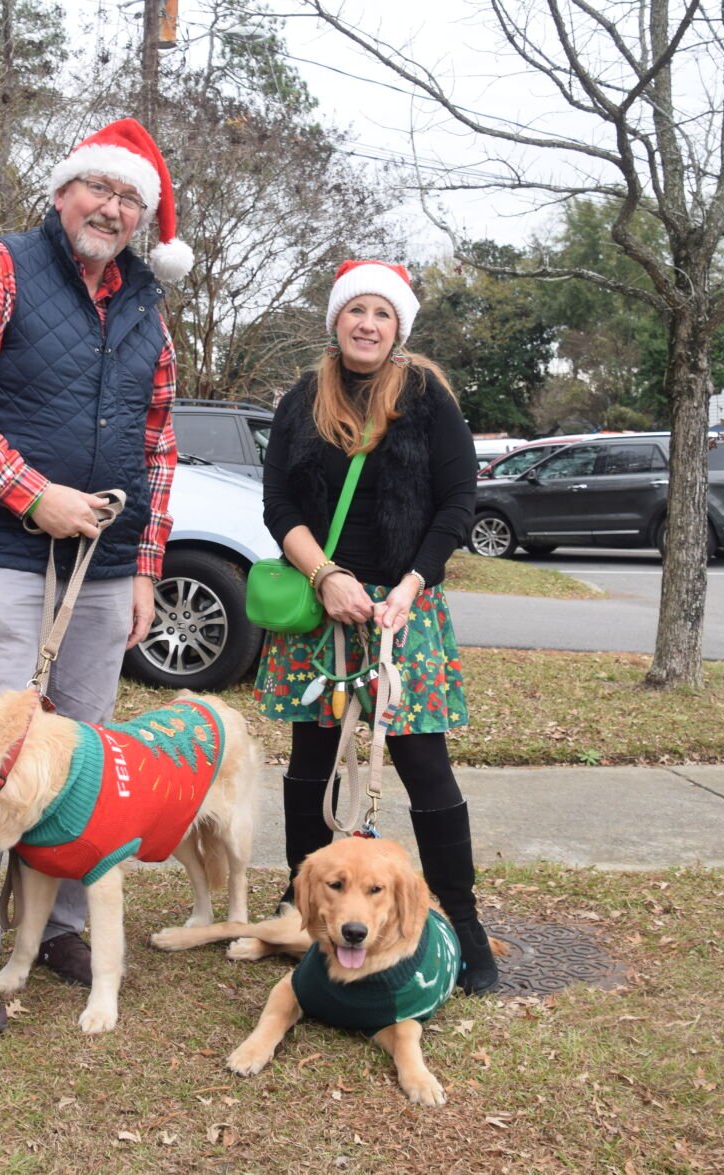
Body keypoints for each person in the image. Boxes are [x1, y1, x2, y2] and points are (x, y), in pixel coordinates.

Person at [0, 118, 193, 1034]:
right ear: (64, 192)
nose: (110, 209)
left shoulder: (148, 308)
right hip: (2, 554)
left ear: (143, 217)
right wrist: (32, 497)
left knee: (83, 765)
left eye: (128, 199)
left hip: (103, 572)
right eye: (97, 189)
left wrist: (144, 566)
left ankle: (61, 926)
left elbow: (158, 446)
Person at [255, 260, 498, 995]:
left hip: (403, 609)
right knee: (311, 762)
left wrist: (411, 588)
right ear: (335, 320)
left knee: (425, 767)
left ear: (399, 329)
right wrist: (325, 576)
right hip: (319, 609)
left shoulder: (425, 396)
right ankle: (307, 914)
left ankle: (460, 913)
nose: (367, 323)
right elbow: (278, 507)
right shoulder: (304, 396)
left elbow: (459, 501)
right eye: (355, 309)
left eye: (382, 313)